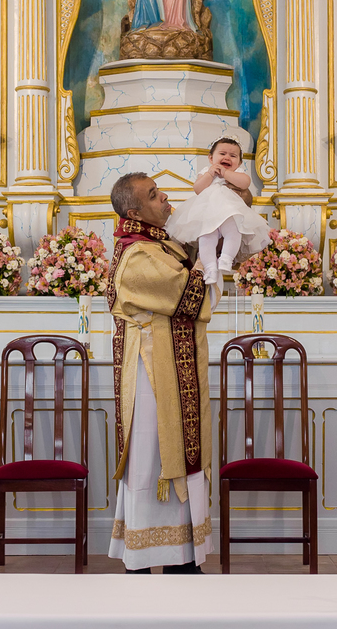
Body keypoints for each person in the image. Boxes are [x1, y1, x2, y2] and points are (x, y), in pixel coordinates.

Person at [106, 172, 216, 574]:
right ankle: (149, 556)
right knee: (153, 455)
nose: (165, 196)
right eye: (154, 195)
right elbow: (188, 296)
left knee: (173, 449)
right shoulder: (137, 254)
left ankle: (182, 557)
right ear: (134, 211)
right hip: (154, 373)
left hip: (171, 361)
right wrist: (207, 264)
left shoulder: (158, 243)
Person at [165, 137, 271, 288]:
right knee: (206, 237)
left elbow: (245, 183)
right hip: (209, 216)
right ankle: (209, 268)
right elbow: (198, 189)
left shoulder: (237, 173)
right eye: (222, 153)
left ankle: (226, 259)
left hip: (229, 214)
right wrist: (210, 174)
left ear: (239, 163)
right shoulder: (206, 172)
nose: (227, 157)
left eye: (233, 156)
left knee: (234, 232)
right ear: (210, 158)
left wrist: (226, 173)